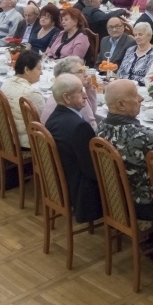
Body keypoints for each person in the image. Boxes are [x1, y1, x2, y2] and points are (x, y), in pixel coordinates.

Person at [97, 79, 153, 220]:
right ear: (121, 104)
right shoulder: (139, 136)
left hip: (116, 197)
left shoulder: (101, 126)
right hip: (144, 203)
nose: (141, 98)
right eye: (135, 95)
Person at [45, 73, 101, 224]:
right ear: (67, 98)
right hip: (82, 193)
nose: (85, 95)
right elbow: (92, 170)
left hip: (63, 182)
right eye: (80, 92)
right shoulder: (79, 127)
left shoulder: (53, 118)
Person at [0, 50, 45, 149]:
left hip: (8, 137)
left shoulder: (6, 83)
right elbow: (45, 121)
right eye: (38, 69)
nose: (41, 73)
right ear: (27, 70)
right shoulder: (31, 93)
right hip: (27, 142)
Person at [41, 56, 98, 128]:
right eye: (80, 72)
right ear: (67, 76)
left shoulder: (58, 92)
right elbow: (92, 126)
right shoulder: (74, 98)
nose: (86, 75)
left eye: (84, 71)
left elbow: (91, 112)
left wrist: (89, 88)